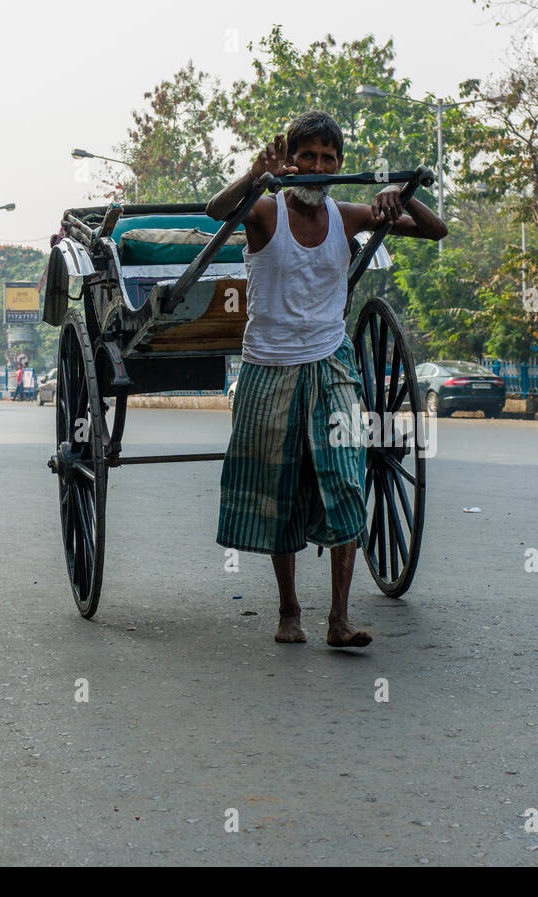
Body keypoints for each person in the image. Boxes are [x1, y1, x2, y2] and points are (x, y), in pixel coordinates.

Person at [208, 111, 446, 648]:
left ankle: (337, 619)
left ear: (339, 167)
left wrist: (398, 197)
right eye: (306, 157)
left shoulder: (349, 216)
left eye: (328, 160)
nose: (316, 168)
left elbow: (436, 231)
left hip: (330, 362)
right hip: (269, 367)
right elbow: (217, 209)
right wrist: (253, 175)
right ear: (289, 161)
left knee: (346, 477)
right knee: (281, 490)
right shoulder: (265, 211)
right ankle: (289, 610)